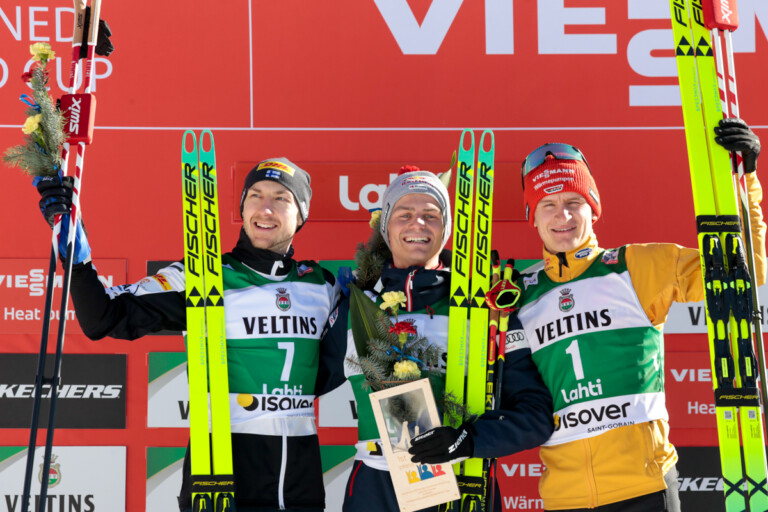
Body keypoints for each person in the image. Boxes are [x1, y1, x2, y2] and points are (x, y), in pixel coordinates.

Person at [35, 158, 341, 512]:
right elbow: (102, 318)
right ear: (242, 207)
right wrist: (77, 260)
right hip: (223, 468)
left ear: (301, 214)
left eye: (281, 198)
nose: (265, 208)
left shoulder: (324, 285)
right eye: (255, 195)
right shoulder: (202, 276)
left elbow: (334, 369)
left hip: (300, 474)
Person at [510, 118, 765, 511]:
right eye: (549, 204)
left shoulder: (637, 265)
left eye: (574, 202)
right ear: (534, 215)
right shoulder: (518, 294)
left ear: (593, 207)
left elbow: (743, 277)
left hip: (644, 488)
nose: (563, 216)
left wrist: (743, 180)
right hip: (564, 498)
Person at [320, 167, 554, 512]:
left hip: (463, 482)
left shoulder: (485, 306)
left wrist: (469, 441)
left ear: (446, 229)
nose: (418, 224)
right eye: (404, 214)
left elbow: (535, 415)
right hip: (375, 487)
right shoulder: (358, 303)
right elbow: (301, 384)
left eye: (431, 215)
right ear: (385, 226)